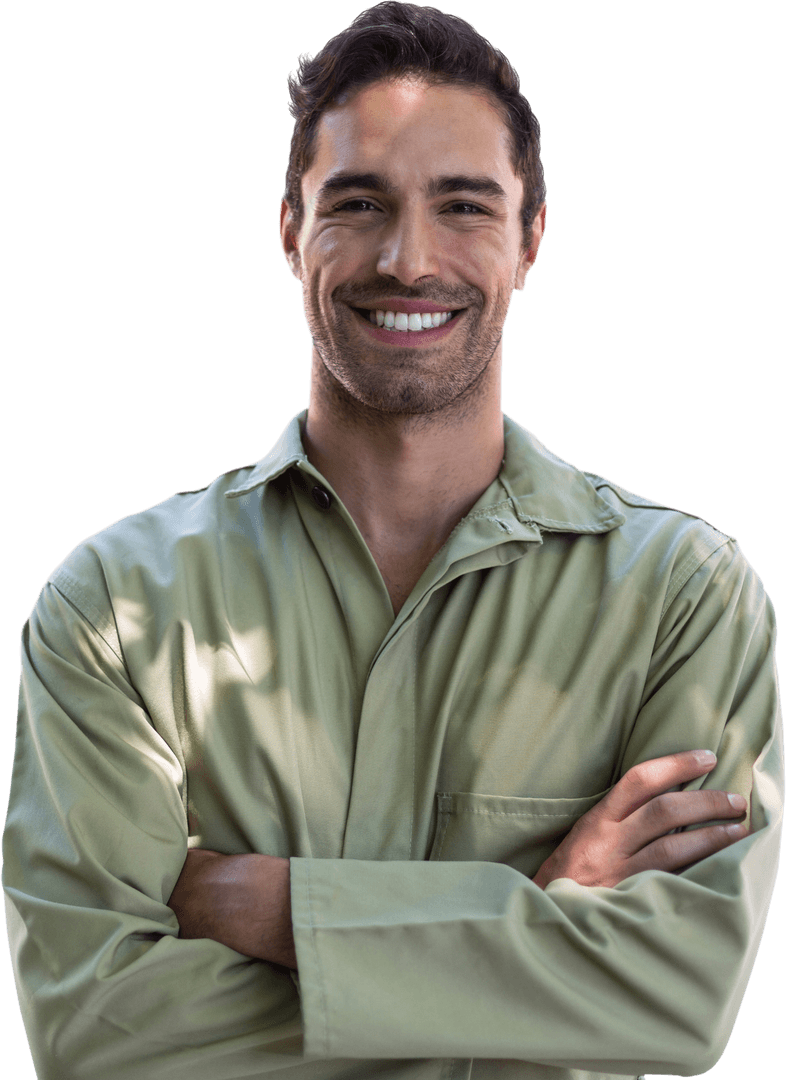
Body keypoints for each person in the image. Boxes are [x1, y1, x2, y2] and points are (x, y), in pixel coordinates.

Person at [3, 3, 782, 1079]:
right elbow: (95, 1034)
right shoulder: (113, 604)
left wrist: (282, 911)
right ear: (289, 232)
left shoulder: (684, 596)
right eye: (358, 202)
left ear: (531, 242)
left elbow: (679, 998)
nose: (409, 259)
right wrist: (537, 923)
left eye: (464, 206)